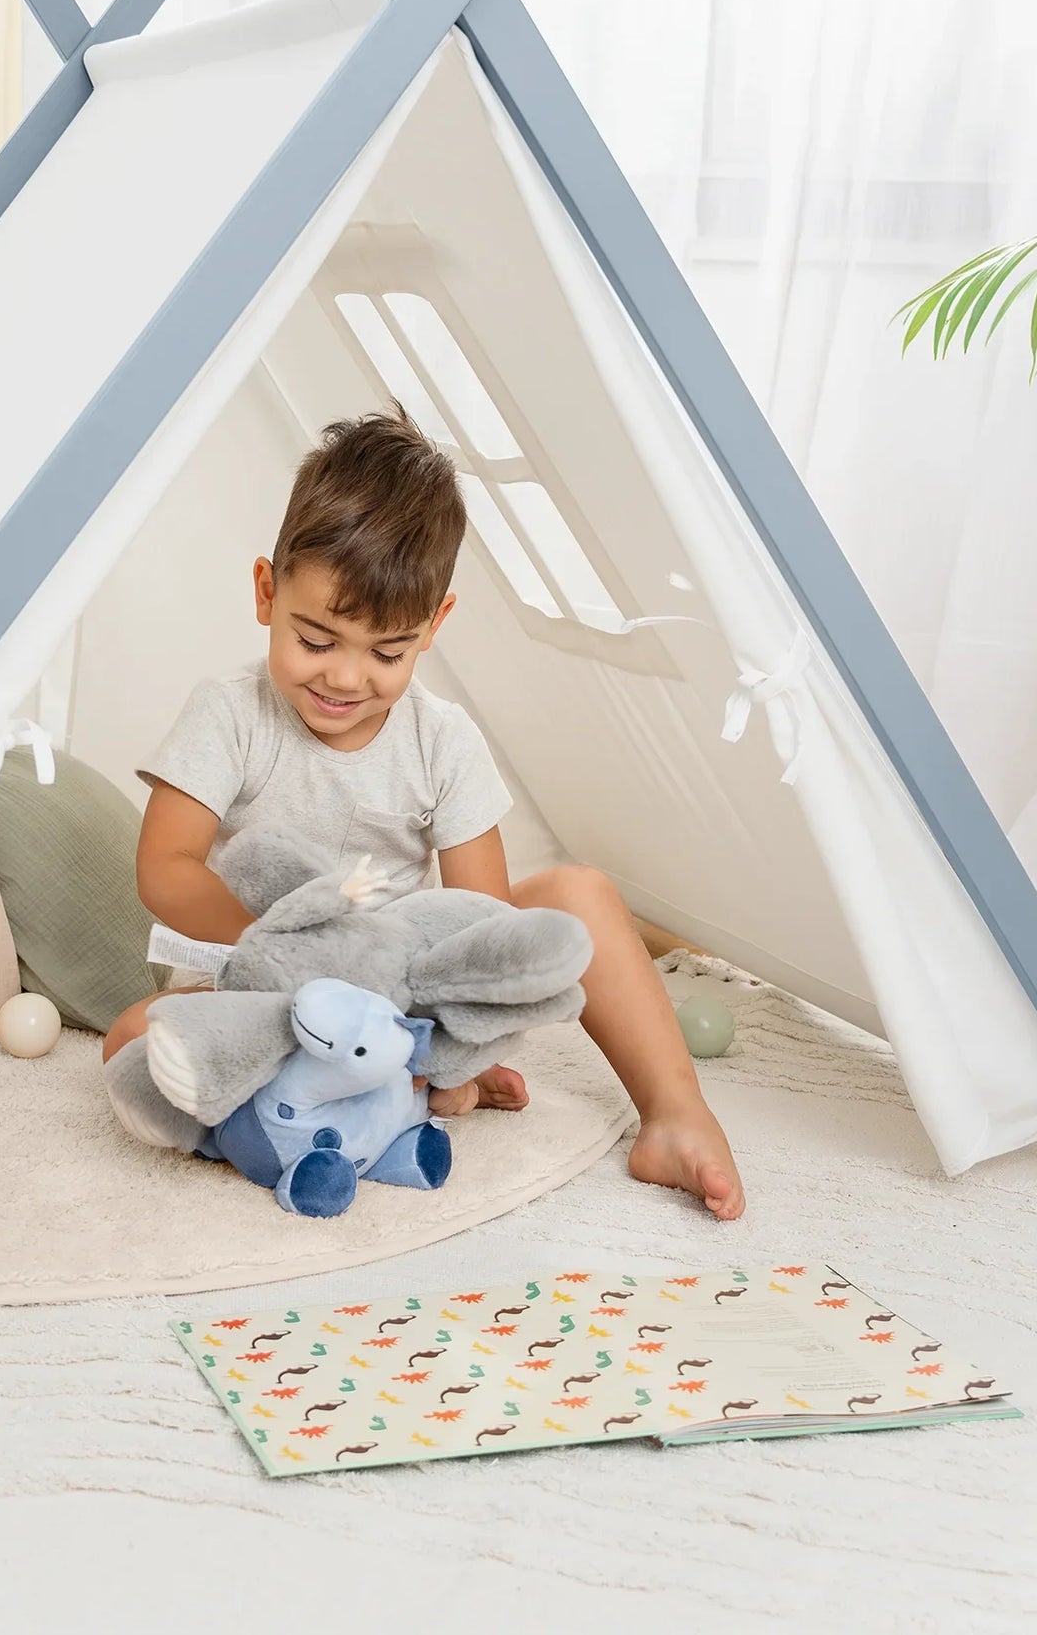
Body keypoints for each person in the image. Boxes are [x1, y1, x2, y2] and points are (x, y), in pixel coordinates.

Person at [103, 405, 744, 1219]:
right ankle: (388, 1094)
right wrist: (303, 961)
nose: (344, 677)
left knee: (578, 894)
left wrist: (427, 1018)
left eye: (387, 652)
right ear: (267, 592)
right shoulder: (228, 713)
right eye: (317, 638)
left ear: (433, 627)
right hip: (258, 987)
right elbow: (164, 868)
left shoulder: (442, 739)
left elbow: (476, 914)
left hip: (402, 992)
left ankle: (672, 1114)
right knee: (134, 1038)